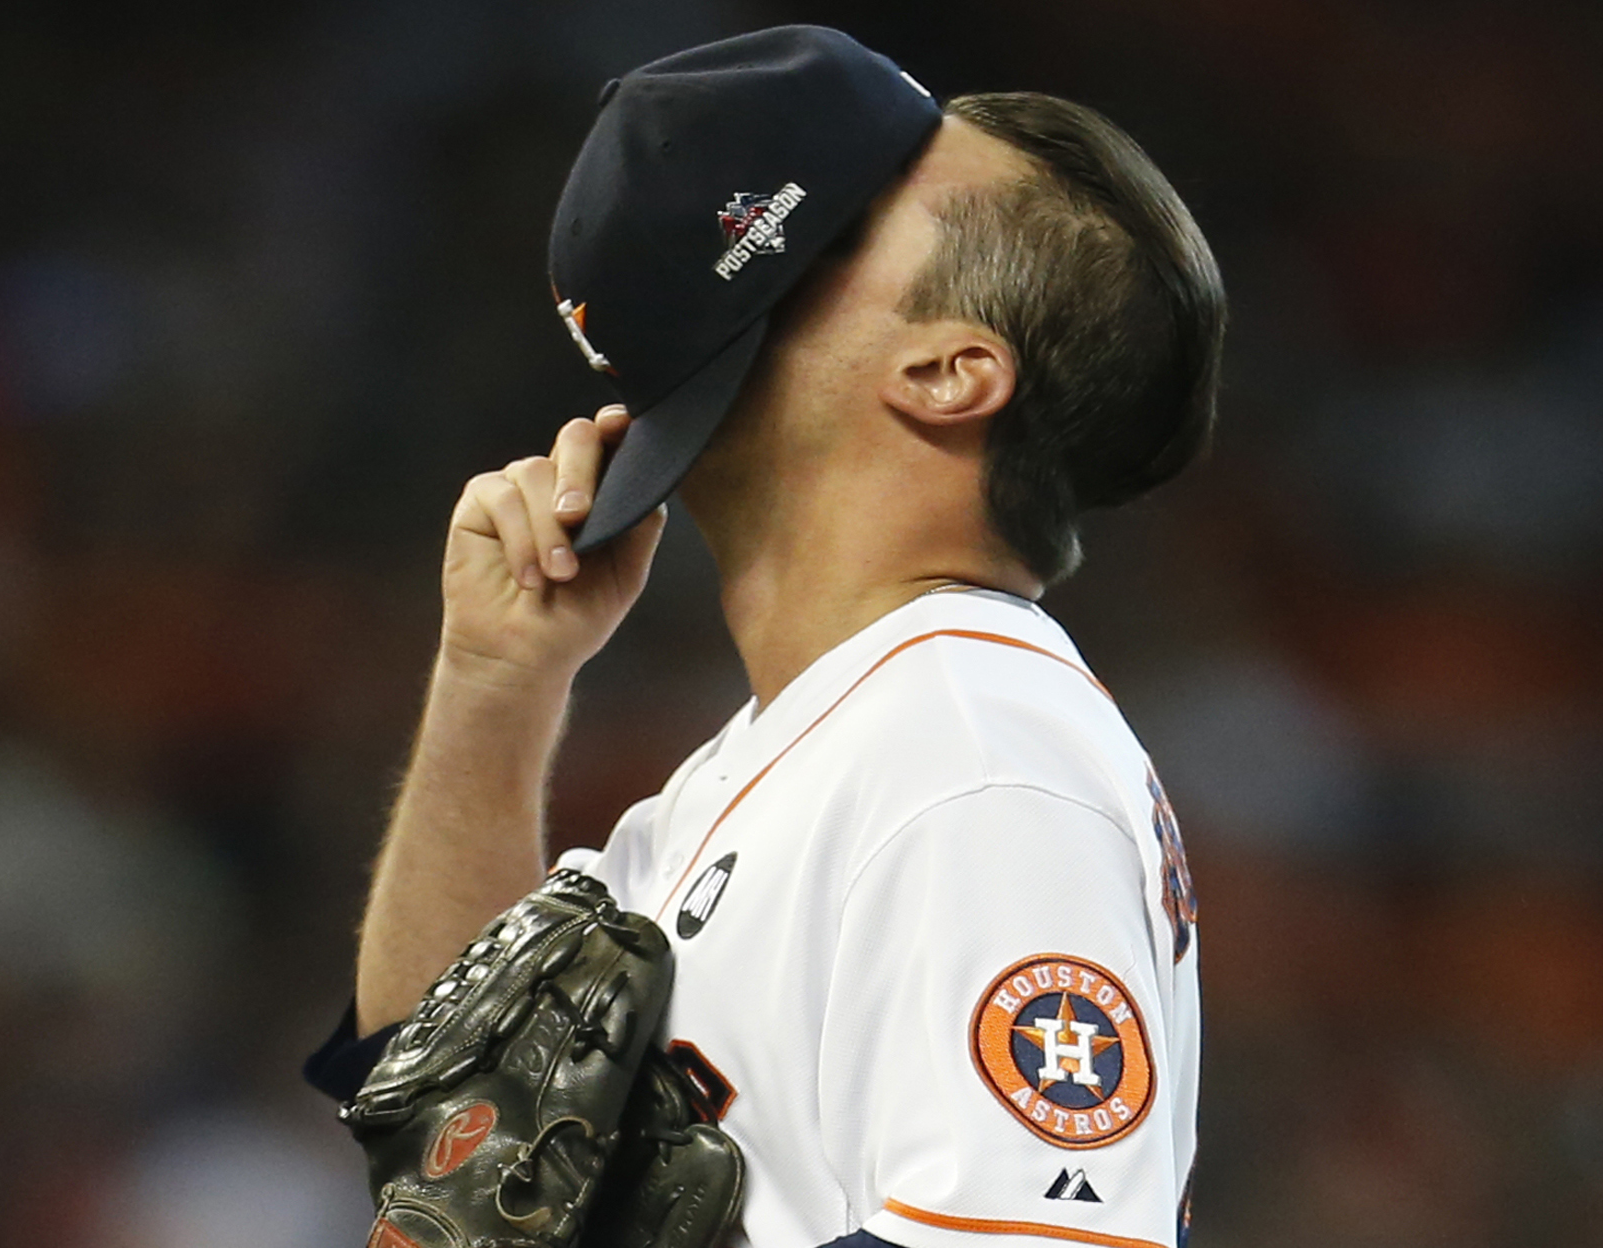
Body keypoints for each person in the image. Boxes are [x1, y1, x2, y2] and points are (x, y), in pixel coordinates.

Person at [307, 25, 1223, 1248]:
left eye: (861, 208)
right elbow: (440, 1115)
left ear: (948, 374)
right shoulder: (792, 755)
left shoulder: (973, 753)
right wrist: (496, 683)